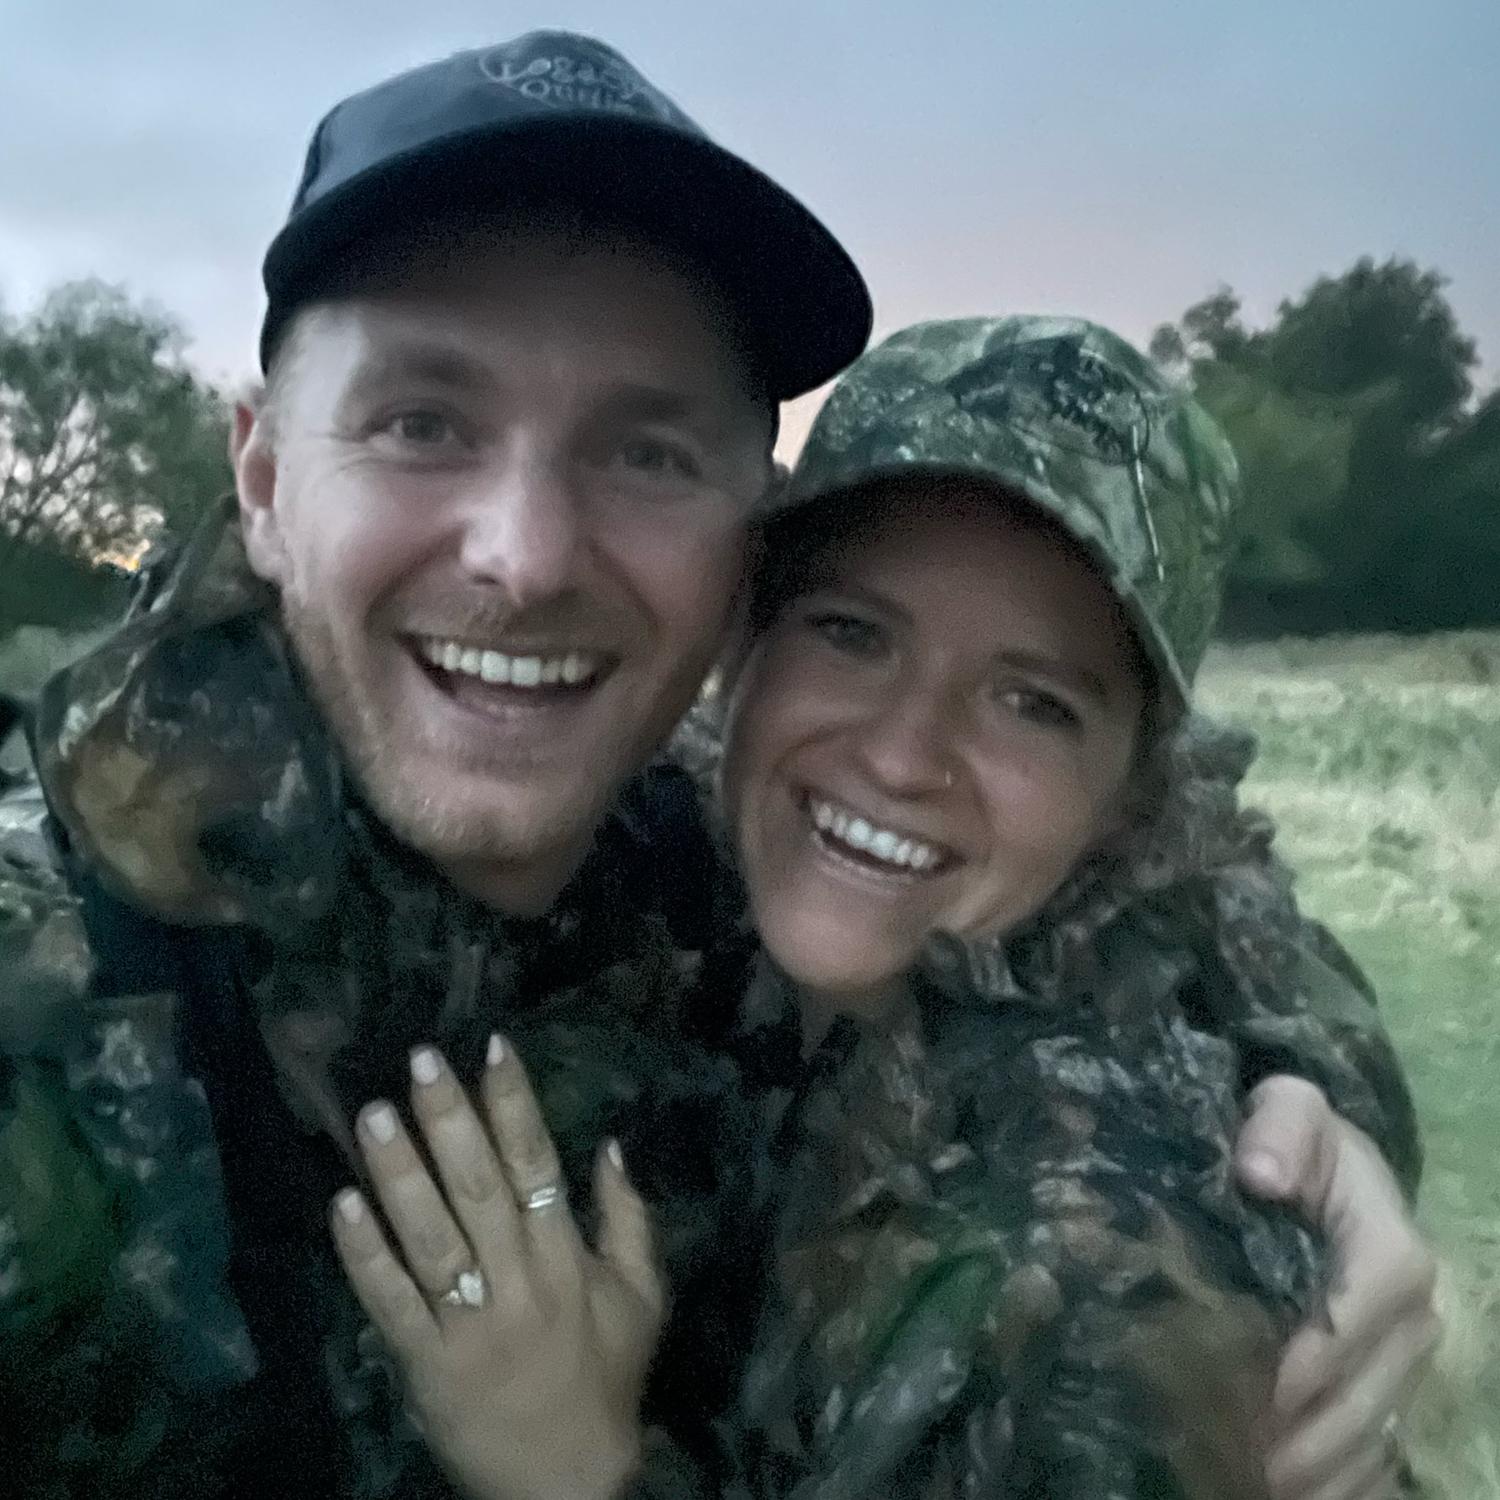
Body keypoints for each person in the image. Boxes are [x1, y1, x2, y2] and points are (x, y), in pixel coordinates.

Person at [0, 33, 1432, 1500]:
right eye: (422, 423)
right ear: (261, 476)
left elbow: (1172, 898)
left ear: (734, 558)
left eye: (649, 454)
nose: (527, 556)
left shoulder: (689, 840)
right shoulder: (46, 978)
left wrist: (1309, 1112)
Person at [327, 323, 1437, 1500]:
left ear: (1129, 801)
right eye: (852, 634)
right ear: (739, 661)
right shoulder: (692, 858)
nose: (905, 756)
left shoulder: (1096, 1292)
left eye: (1033, 701)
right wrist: (1322, 1075)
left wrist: (574, 1472)